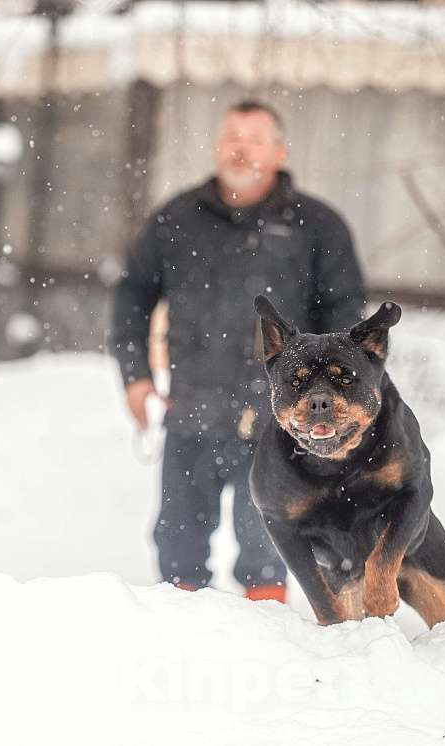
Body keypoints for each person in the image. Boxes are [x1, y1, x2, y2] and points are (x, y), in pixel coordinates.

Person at [111, 100, 366, 602]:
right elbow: (132, 296)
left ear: (279, 152)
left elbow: (345, 322)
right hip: (192, 412)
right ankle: (179, 631)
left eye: (254, 139)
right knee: (178, 547)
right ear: (216, 146)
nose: (240, 149)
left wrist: (328, 402)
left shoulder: (317, 226)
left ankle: (265, 634)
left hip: (279, 423)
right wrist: (135, 375)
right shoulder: (178, 218)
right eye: (232, 137)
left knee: (270, 548)